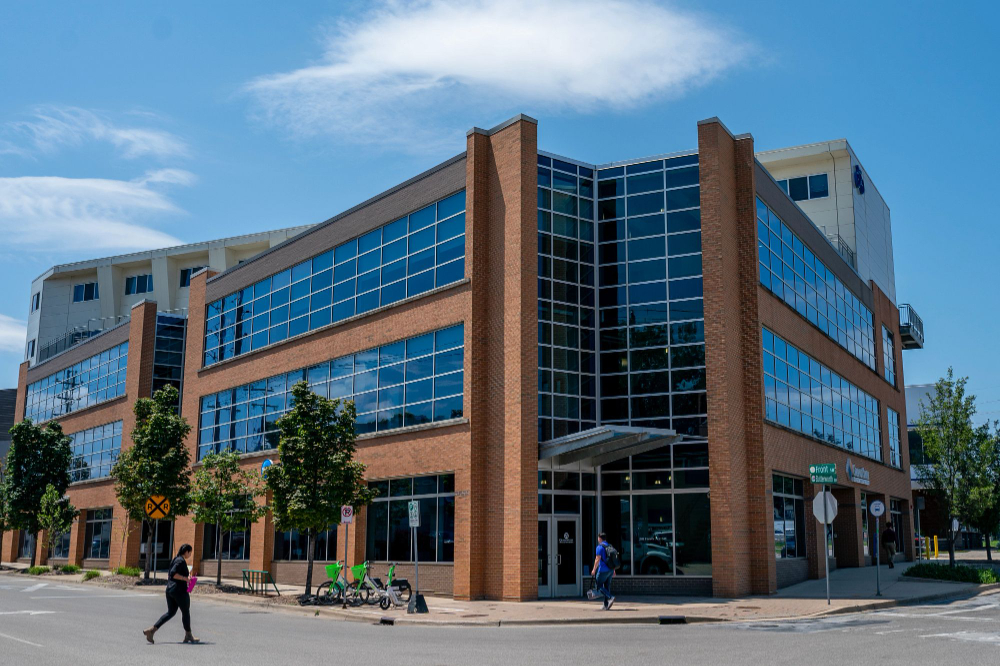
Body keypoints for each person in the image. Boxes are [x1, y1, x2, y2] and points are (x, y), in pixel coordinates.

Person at [144, 543, 199, 644]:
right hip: (179, 590)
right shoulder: (180, 561)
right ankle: (188, 635)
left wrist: (186, 578)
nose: (190, 555)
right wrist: (185, 578)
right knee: (185, 611)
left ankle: (152, 630)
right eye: (190, 552)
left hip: (170, 589)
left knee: (171, 612)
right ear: (186, 552)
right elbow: (173, 573)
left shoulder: (175, 559)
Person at [591, 532, 615, 610]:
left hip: (603, 570)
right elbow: (612, 559)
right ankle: (606, 605)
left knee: (598, 586)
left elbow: (597, 559)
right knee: (607, 586)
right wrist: (613, 570)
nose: (598, 539)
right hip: (610, 570)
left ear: (600, 538)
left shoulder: (599, 547)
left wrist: (594, 569)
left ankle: (610, 597)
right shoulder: (609, 546)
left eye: (598, 538)